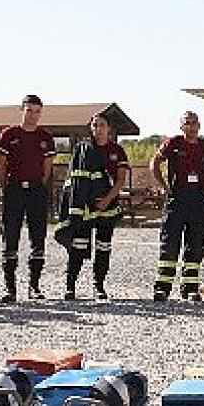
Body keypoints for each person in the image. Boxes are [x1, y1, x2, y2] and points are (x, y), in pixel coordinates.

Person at [152, 111, 204, 301]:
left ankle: (190, 288)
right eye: (187, 123)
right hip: (177, 199)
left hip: (198, 200)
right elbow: (155, 162)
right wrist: (163, 185)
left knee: (195, 244)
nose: (191, 126)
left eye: (194, 123)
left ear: (199, 125)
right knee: (170, 244)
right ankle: (163, 287)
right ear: (181, 126)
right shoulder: (174, 143)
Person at [0, 94, 54, 302]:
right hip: (14, 190)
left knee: (38, 237)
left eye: (37, 111)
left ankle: (34, 286)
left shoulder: (45, 137)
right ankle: (10, 289)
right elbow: (1, 166)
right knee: (10, 237)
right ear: (22, 110)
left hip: (36, 191)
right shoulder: (8, 134)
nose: (33, 115)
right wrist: (8, 187)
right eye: (29, 110)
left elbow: (47, 168)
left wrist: (39, 185)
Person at [87, 113, 130, 300]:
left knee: (103, 245)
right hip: (85, 206)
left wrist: (107, 200)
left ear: (109, 128)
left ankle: (99, 284)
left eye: (102, 125)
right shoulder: (84, 149)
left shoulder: (117, 151)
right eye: (95, 125)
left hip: (108, 205)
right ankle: (70, 285)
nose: (98, 129)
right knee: (79, 245)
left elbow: (120, 180)